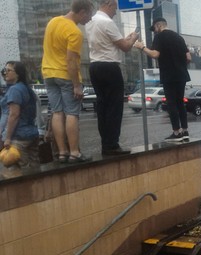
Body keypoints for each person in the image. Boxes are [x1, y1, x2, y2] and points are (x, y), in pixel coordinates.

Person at [41, 0, 94, 163]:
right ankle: (74, 153)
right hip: (65, 75)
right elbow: (71, 61)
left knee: (57, 112)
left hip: (48, 74)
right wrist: (76, 85)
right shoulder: (74, 32)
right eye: (89, 16)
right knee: (72, 113)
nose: (89, 20)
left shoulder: (53, 22)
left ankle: (62, 152)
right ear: (82, 12)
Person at [86, 0, 138, 155]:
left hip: (95, 66)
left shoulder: (90, 22)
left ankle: (105, 143)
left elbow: (111, 43)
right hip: (109, 67)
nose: (116, 11)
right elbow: (125, 47)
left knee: (102, 107)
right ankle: (112, 144)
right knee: (114, 107)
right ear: (107, 4)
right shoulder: (107, 22)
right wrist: (133, 38)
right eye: (115, 7)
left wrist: (125, 39)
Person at [134, 17, 191, 142]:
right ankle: (185, 131)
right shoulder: (179, 37)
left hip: (169, 74)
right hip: (181, 74)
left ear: (159, 26)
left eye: (154, 29)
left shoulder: (160, 37)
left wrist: (142, 47)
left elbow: (155, 54)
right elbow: (188, 57)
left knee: (171, 103)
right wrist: (179, 63)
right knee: (180, 102)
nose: (154, 31)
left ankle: (176, 133)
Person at [0, 61, 40, 169]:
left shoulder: (15, 90)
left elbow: (14, 115)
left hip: (18, 136)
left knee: (20, 170)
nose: (5, 73)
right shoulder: (26, 88)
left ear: (18, 73)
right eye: (5, 70)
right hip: (31, 133)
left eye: (9, 70)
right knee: (34, 167)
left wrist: (7, 138)